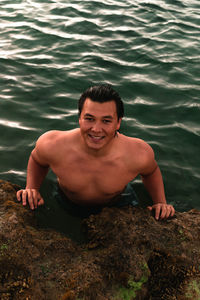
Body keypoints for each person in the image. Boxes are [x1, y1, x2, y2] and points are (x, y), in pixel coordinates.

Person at [16, 84, 175, 220]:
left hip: (118, 206)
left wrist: (160, 202)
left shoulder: (137, 153)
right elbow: (37, 160)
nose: (96, 129)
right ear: (79, 118)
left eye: (106, 121)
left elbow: (151, 171)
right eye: (89, 119)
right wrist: (32, 188)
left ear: (118, 122)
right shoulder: (53, 144)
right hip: (67, 203)